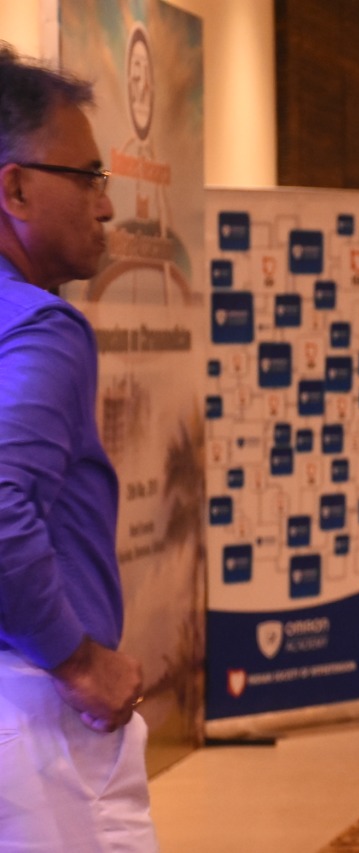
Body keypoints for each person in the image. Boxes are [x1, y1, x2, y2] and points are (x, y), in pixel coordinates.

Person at [0, 45, 158, 851]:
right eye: (88, 175)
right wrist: (78, 661)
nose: (105, 206)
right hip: (37, 717)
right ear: (15, 188)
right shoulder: (40, 327)